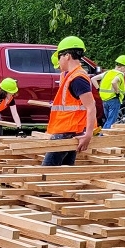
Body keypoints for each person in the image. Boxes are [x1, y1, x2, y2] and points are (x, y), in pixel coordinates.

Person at [43, 36, 98, 166]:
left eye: (60, 56)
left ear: (67, 56)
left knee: (46, 172)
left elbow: (91, 106)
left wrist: (88, 134)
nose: (59, 61)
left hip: (67, 132)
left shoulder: (78, 78)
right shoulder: (72, 76)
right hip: (69, 130)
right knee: (65, 171)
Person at [91, 55, 125, 129]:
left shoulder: (107, 73)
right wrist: (117, 92)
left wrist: (98, 89)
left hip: (105, 100)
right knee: (111, 121)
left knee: (108, 119)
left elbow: (93, 79)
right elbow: (114, 82)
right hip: (114, 99)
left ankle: (103, 134)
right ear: (123, 67)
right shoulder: (119, 74)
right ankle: (103, 136)